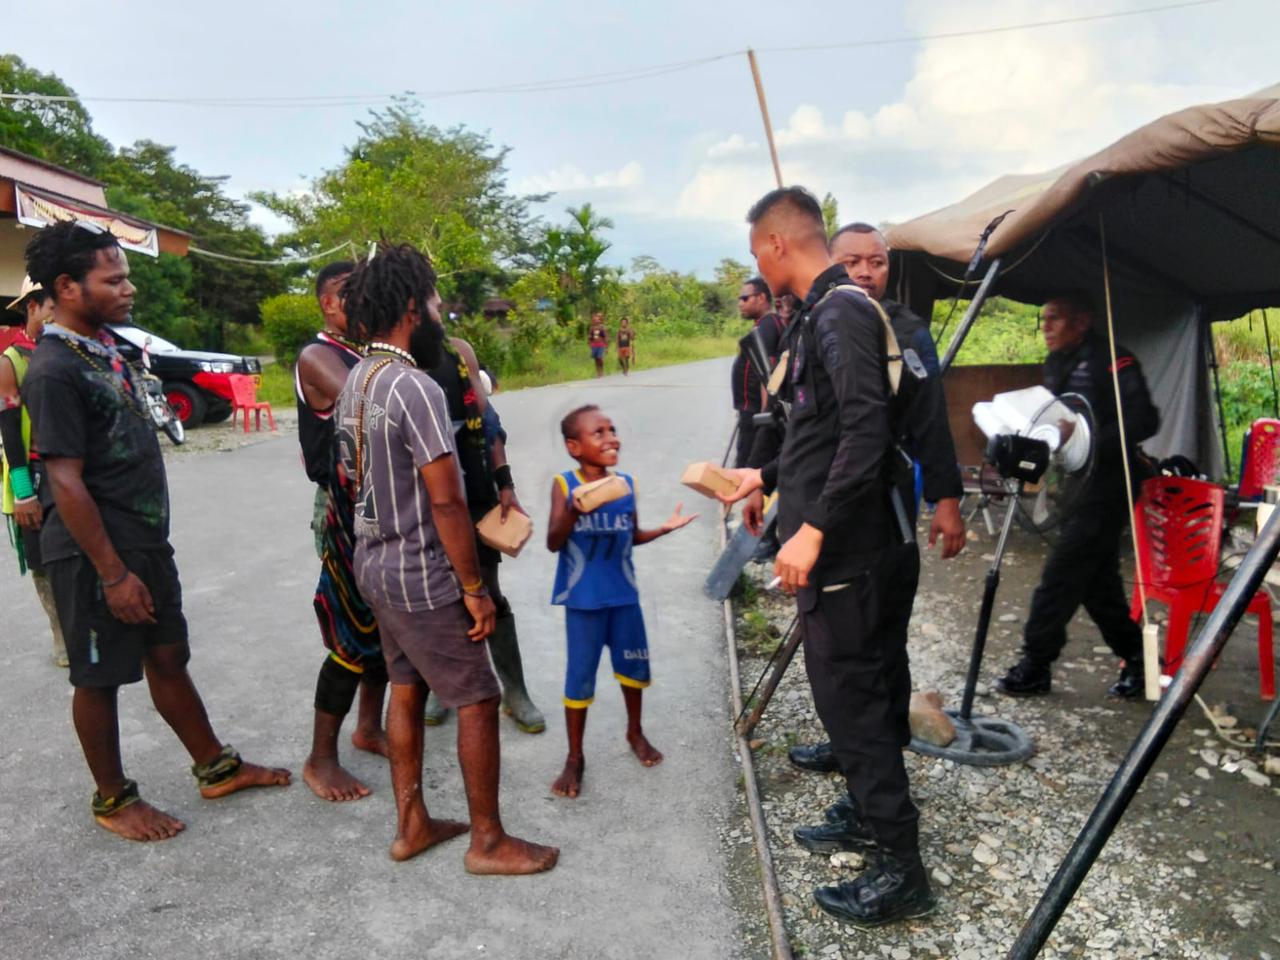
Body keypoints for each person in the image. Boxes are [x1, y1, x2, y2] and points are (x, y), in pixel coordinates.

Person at [22, 220, 290, 843]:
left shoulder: (103, 347)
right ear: (67, 287)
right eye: (112, 280)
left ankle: (216, 768)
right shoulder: (54, 369)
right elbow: (64, 479)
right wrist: (113, 574)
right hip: (93, 555)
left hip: (143, 542)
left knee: (168, 655)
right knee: (99, 677)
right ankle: (113, 799)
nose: (129, 288)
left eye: (126, 277)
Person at [719, 187, 935, 927]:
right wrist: (765, 474)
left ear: (777, 244)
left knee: (854, 701)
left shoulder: (839, 313)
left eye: (757, 251)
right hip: (844, 545)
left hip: (849, 551)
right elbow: (821, 432)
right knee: (852, 696)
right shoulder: (820, 314)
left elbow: (867, 432)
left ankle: (902, 870)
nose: (758, 264)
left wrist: (811, 529)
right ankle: (870, 814)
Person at [336, 240, 557, 873]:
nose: (439, 314)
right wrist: (473, 587)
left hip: (374, 564)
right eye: (434, 303)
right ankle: (488, 842)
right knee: (478, 698)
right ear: (412, 307)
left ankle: (412, 825)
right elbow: (447, 500)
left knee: (405, 687)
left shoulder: (358, 379)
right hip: (420, 571)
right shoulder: (416, 388)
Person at [783, 223, 967, 778]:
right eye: (853, 261)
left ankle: (880, 756)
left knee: (880, 642)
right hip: (834, 505)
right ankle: (851, 748)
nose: (866, 272)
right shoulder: (817, 318)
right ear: (831, 264)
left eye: (878, 262)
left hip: (886, 505)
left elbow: (930, 416)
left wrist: (946, 498)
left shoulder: (906, 329)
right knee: (846, 653)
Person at [996, 293, 1159, 699]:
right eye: (1043, 319)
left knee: (1062, 575)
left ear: (1082, 322)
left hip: (1109, 486)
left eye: (1055, 319)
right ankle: (1141, 662)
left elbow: (1145, 419)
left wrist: (1091, 440)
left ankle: (1035, 665)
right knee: (1097, 585)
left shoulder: (1114, 360)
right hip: (1075, 484)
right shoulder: (1056, 362)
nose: (1046, 328)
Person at [545, 404, 696, 799]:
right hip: (583, 602)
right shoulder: (565, 484)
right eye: (599, 433)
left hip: (624, 598)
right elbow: (553, 541)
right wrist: (573, 509)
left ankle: (635, 732)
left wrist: (662, 530)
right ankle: (575, 756)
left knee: (633, 668)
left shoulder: (626, 484)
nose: (611, 438)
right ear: (574, 447)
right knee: (579, 678)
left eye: (612, 430)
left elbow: (632, 536)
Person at [294, 260, 388, 802]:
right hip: (342, 507)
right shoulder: (319, 356)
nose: (363, 300)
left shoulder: (367, 352)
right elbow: (373, 405)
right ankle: (320, 758)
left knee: (383, 624)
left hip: (379, 503)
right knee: (350, 630)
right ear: (327, 304)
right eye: (351, 293)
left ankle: (369, 727)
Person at [421, 330, 545, 734]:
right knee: (437, 597)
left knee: (487, 590)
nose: (436, 307)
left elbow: (488, 421)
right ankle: (442, 687)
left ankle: (515, 691)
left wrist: (504, 483)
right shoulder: (396, 360)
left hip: (473, 492)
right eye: (431, 302)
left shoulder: (458, 351)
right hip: (422, 501)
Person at [1, 275, 67, 667]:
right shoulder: (11, 362)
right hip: (37, 475)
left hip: (74, 471)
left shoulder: (69, 352)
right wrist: (24, 492)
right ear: (32, 307)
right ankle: (61, 633)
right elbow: (10, 432)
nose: (58, 315)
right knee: (42, 558)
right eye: (51, 307)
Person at [729, 277, 784, 469]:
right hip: (750, 411)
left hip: (755, 414)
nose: (740, 304)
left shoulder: (768, 326)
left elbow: (767, 375)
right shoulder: (763, 324)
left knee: (746, 467)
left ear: (761, 298)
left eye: (745, 298)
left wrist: (764, 417)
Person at [587, 313, 608, 378]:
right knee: (596, 358)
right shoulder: (592, 328)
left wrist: (606, 347)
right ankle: (597, 372)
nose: (596, 321)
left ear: (600, 320)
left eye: (598, 320)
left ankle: (602, 371)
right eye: (595, 320)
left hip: (601, 344)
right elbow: (590, 337)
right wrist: (590, 343)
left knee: (600, 358)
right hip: (594, 345)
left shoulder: (602, 328)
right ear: (593, 321)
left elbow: (605, 337)